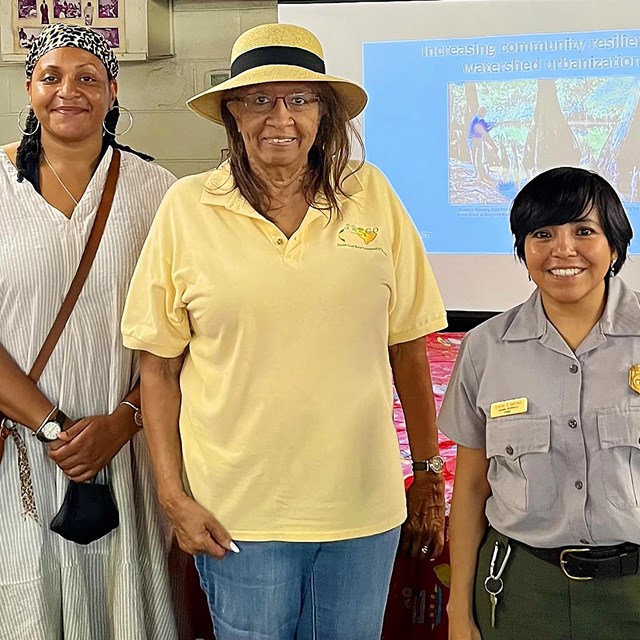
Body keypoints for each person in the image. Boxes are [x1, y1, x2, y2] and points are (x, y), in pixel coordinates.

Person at [121, 22, 447, 640]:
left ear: (324, 114)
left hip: (362, 510)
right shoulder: (188, 207)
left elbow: (407, 342)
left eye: (301, 99)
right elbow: (158, 367)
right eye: (259, 100)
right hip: (238, 513)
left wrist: (427, 467)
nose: (281, 118)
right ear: (231, 114)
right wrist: (172, 495)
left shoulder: (370, 193)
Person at [0, 23, 183, 640]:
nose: (68, 91)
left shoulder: (158, 193)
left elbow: (183, 331)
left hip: (127, 452)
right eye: (51, 76)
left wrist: (124, 421)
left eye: (88, 78)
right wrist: (54, 427)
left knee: (124, 604)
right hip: (21, 454)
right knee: (27, 604)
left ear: (112, 93)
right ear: (29, 87)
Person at [441, 166, 638, 640]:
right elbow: (469, 490)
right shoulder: (485, 348)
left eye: (584, 231)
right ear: (523, 250)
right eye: (542, 233)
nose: (563, 249)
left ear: (614, 245)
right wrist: (458, 610)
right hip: (522, 593)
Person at [467, 107, 498, 182]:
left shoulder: (476, 117)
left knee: (474, 156)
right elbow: (485, 128)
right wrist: (493, 126)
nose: (485, 114)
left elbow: (485, 125)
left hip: (471, 139)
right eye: (485, 112)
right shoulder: (479, 119)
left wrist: (493, 124)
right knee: (478, 157)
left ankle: (477, 174)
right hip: (476, 139)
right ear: (482, 112)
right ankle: (479, 175)